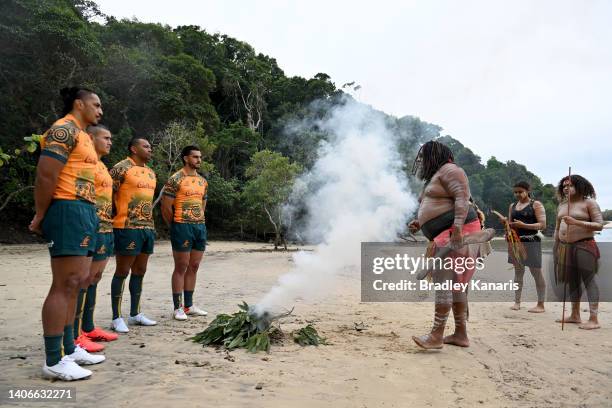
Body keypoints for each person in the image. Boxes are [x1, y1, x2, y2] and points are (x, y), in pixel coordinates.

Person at [30, 87, 106, 381]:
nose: (100, 111)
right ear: (79, 104)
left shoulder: (85, 136)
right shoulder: (63, 130)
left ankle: (69, 347)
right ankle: (53, 359)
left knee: (78, 283)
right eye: (95, 105)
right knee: (65, 283)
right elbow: (46, 175)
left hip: (85, 210)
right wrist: (41, 214)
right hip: (67, 208)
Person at [408, 140, 491, 349]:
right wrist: (421, 222)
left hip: (458, 233)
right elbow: (439, 205)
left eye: (423, 157)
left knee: (446, 282)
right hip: (446, 233)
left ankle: (436, 335)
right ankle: (460, 335)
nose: (420, 161)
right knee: (455, 285)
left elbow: (462, 199)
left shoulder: (451, 170)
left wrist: (457, 228)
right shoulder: (435, 177)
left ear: (433, 156)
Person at [73, 125, 119, 352]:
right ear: (91, 138)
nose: (110, 142)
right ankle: (76, 332)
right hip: (89, 227)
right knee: (82, 279)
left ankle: (89, 327)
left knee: (95, 277)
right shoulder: (85, 162)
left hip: (106, 227)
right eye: (106, 137)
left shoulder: (102, 165)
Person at [109, 137, 157, 332]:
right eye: (145, 146)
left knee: (140, 271)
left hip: (147, 227)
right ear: (133, 149)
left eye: (150, 146)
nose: (150, 149)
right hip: (126, 226)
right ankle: (116, 317)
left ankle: (135, 313)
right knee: (122, 271)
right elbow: (107, 193)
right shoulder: (121, 168)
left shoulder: (151, 173)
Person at [162, 146, 209, 321]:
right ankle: (177, 307)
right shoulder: (175, 179)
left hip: (199, 227)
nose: (199, 160)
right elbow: (166, 207)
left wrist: (200, 221)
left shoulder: (203, 181)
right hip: (181, 226)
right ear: (185, 158)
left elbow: (203, 205)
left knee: (194, 266)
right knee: (181, 266)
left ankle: (189, 306)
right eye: (195, 157)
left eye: (200, 157)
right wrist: (173, 226)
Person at [554, 175, 603, 330]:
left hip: (584, 245)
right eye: (564, 186)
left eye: (570, 185)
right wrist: (556, 246)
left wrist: (576, 222)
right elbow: (557, 227)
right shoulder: (562, 205)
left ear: (580, 186)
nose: (566, 188)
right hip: (565, 246)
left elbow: (599, 225)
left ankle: (593, 319)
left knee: (589, 280)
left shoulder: (589, 203)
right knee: (572, 281)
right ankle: (575, 315)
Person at [502, 181, 547, 312]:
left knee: (536, 272)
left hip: (532, 241)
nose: (517, 194)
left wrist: (524, 226)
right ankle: (517, 302)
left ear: (528, 191)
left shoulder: (536, 205)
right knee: (518, 273)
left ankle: (541, 304)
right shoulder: (513, 206)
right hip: (515, 242)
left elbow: (542, 225)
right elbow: (510, 224)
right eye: (515, 192)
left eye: (520, 192)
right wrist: (506, 225)